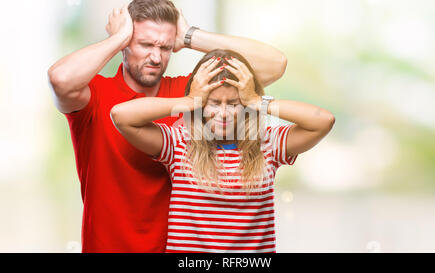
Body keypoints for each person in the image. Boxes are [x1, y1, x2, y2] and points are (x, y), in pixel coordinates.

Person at [47, 0, 289, 253]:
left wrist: (189, 36)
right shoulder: (96, 96)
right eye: (145, 44)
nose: (155, 56)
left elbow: (274, 65)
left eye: (164, 47)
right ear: (126, 44)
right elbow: (60, 79)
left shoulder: (193, 94)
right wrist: (118, 37)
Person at [110, 49, 335, 253]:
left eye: (235, 103)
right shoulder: (179, 143)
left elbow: (323, 121)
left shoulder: (267, 143)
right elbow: (121, 116)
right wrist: (188, 101)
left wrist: (258, 100)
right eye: (214, 102)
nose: (224, 113)